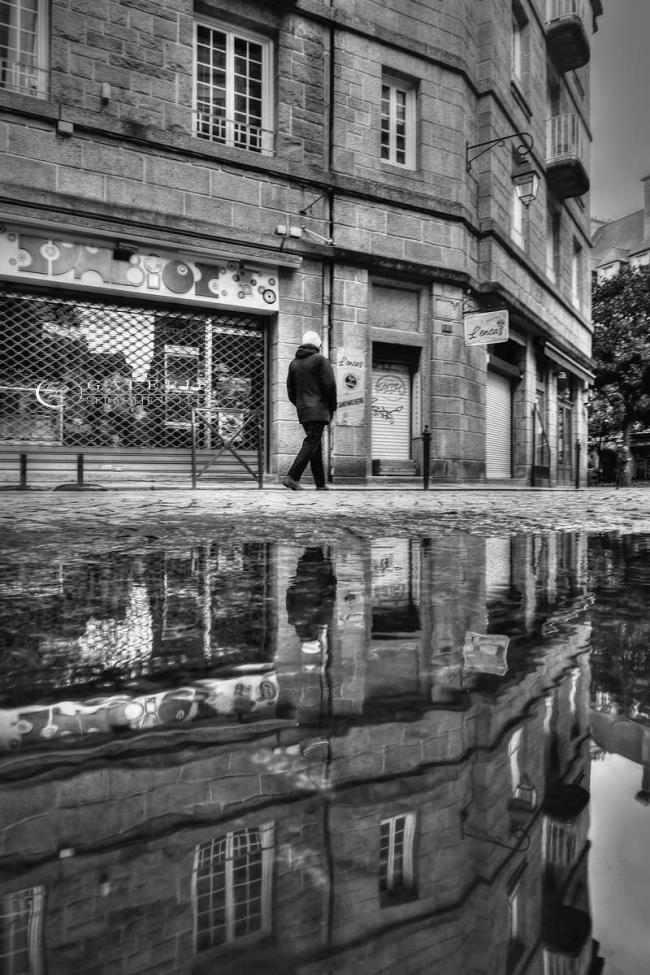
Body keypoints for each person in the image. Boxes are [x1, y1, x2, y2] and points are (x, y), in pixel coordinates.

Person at [283, 329, 337, 491]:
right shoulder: (320, 360)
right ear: (316, 345)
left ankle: (320, 484)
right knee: (311, 442)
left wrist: (301, 405)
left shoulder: (294, 363)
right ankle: (292, 476)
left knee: (315, 445)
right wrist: (332, 407)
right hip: (319, 410)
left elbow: (290, 391)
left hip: (304, 411)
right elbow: (330, 386)